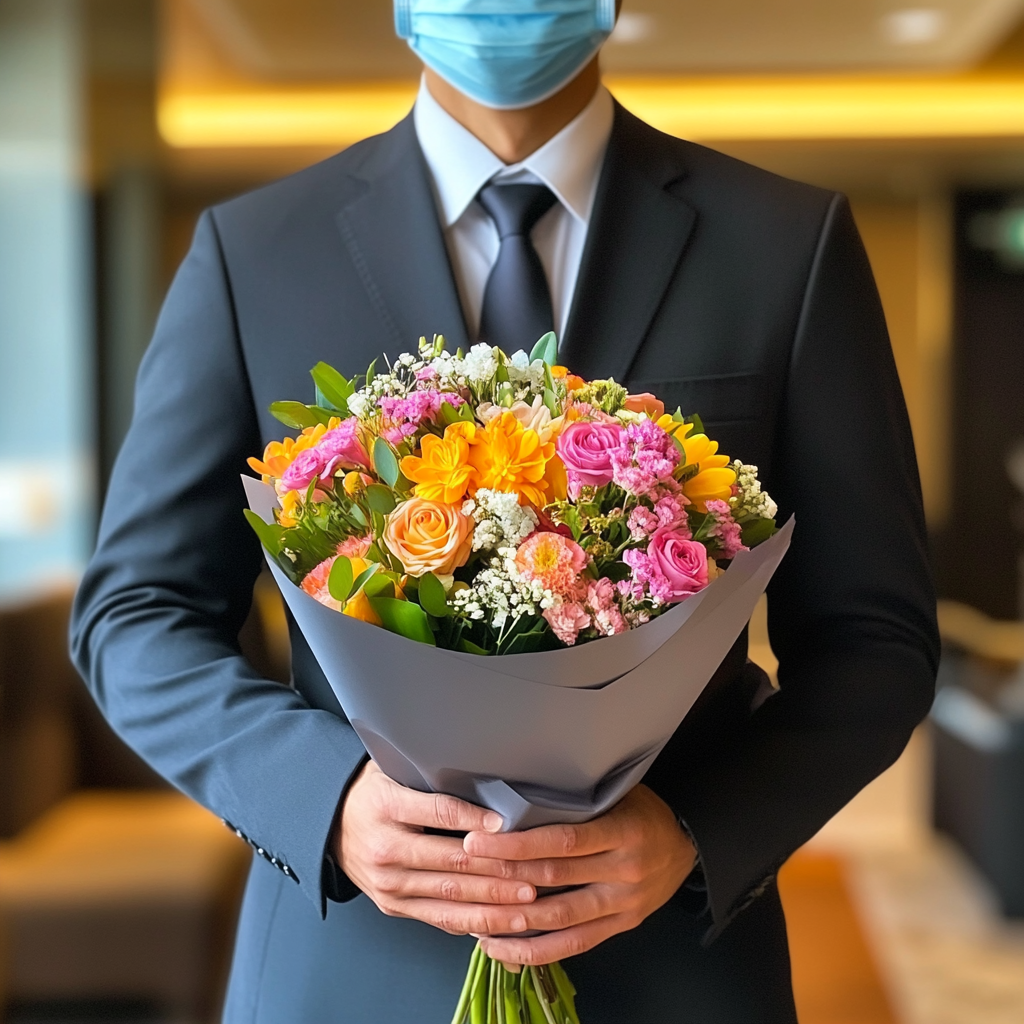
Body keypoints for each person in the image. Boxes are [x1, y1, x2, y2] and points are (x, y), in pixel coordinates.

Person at [70, 2, 939, 1021]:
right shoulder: (252, 251)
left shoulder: (786, 245)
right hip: (346, 966)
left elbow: (874, 638)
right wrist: (326, 800)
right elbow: (135, 615)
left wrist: (699, 830)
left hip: (676, 967)